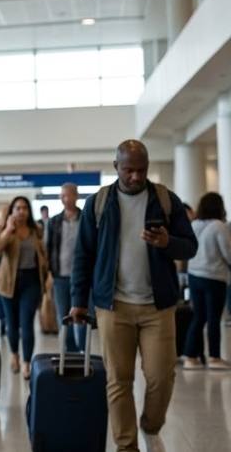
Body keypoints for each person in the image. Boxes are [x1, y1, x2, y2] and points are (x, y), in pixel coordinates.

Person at [70, 140, 197, 452]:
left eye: (142, 170)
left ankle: (151, 426)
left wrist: (168, 242)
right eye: (129, 170)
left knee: (161, 377)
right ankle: (127, 446)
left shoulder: (166, 201)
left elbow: (190, 246)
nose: (136, 177)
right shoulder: (98, 203)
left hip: (158, 306)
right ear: (116, 167)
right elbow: (82, 255)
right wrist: (78, 301)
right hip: (113, 306)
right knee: (118, 380)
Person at [0, 195, 48, 380]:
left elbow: (43, 254)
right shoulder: (6, 229)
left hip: (31, 281)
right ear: (12, 211)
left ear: (29, 211)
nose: (21, 211)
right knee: (11, 323)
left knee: (26, 322)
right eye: (17, 208)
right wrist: (7, 230)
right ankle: (14, 354)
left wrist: (47, 275)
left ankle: (26, 363)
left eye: (24, 208)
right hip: (7, 282)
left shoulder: (36, 230)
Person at [181, 192, 231, 370]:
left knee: (198, 317)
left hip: (194, 275)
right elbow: (227, 252)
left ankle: (190, 357)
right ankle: (215, 358)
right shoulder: (219, 226)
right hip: (214, 277)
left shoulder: (194, 225)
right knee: (213, 319)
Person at [46, 183, 86, 352]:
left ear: (76, 196)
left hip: (83, 277)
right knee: (64, 315)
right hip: (60, 276)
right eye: (62, 196)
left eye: (69, 195)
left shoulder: (86, 219)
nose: (65, 199)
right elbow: (49, 249)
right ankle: (70, 352)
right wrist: (49, 273)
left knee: (83, 316)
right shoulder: (54, 221)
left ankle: (83, 350)